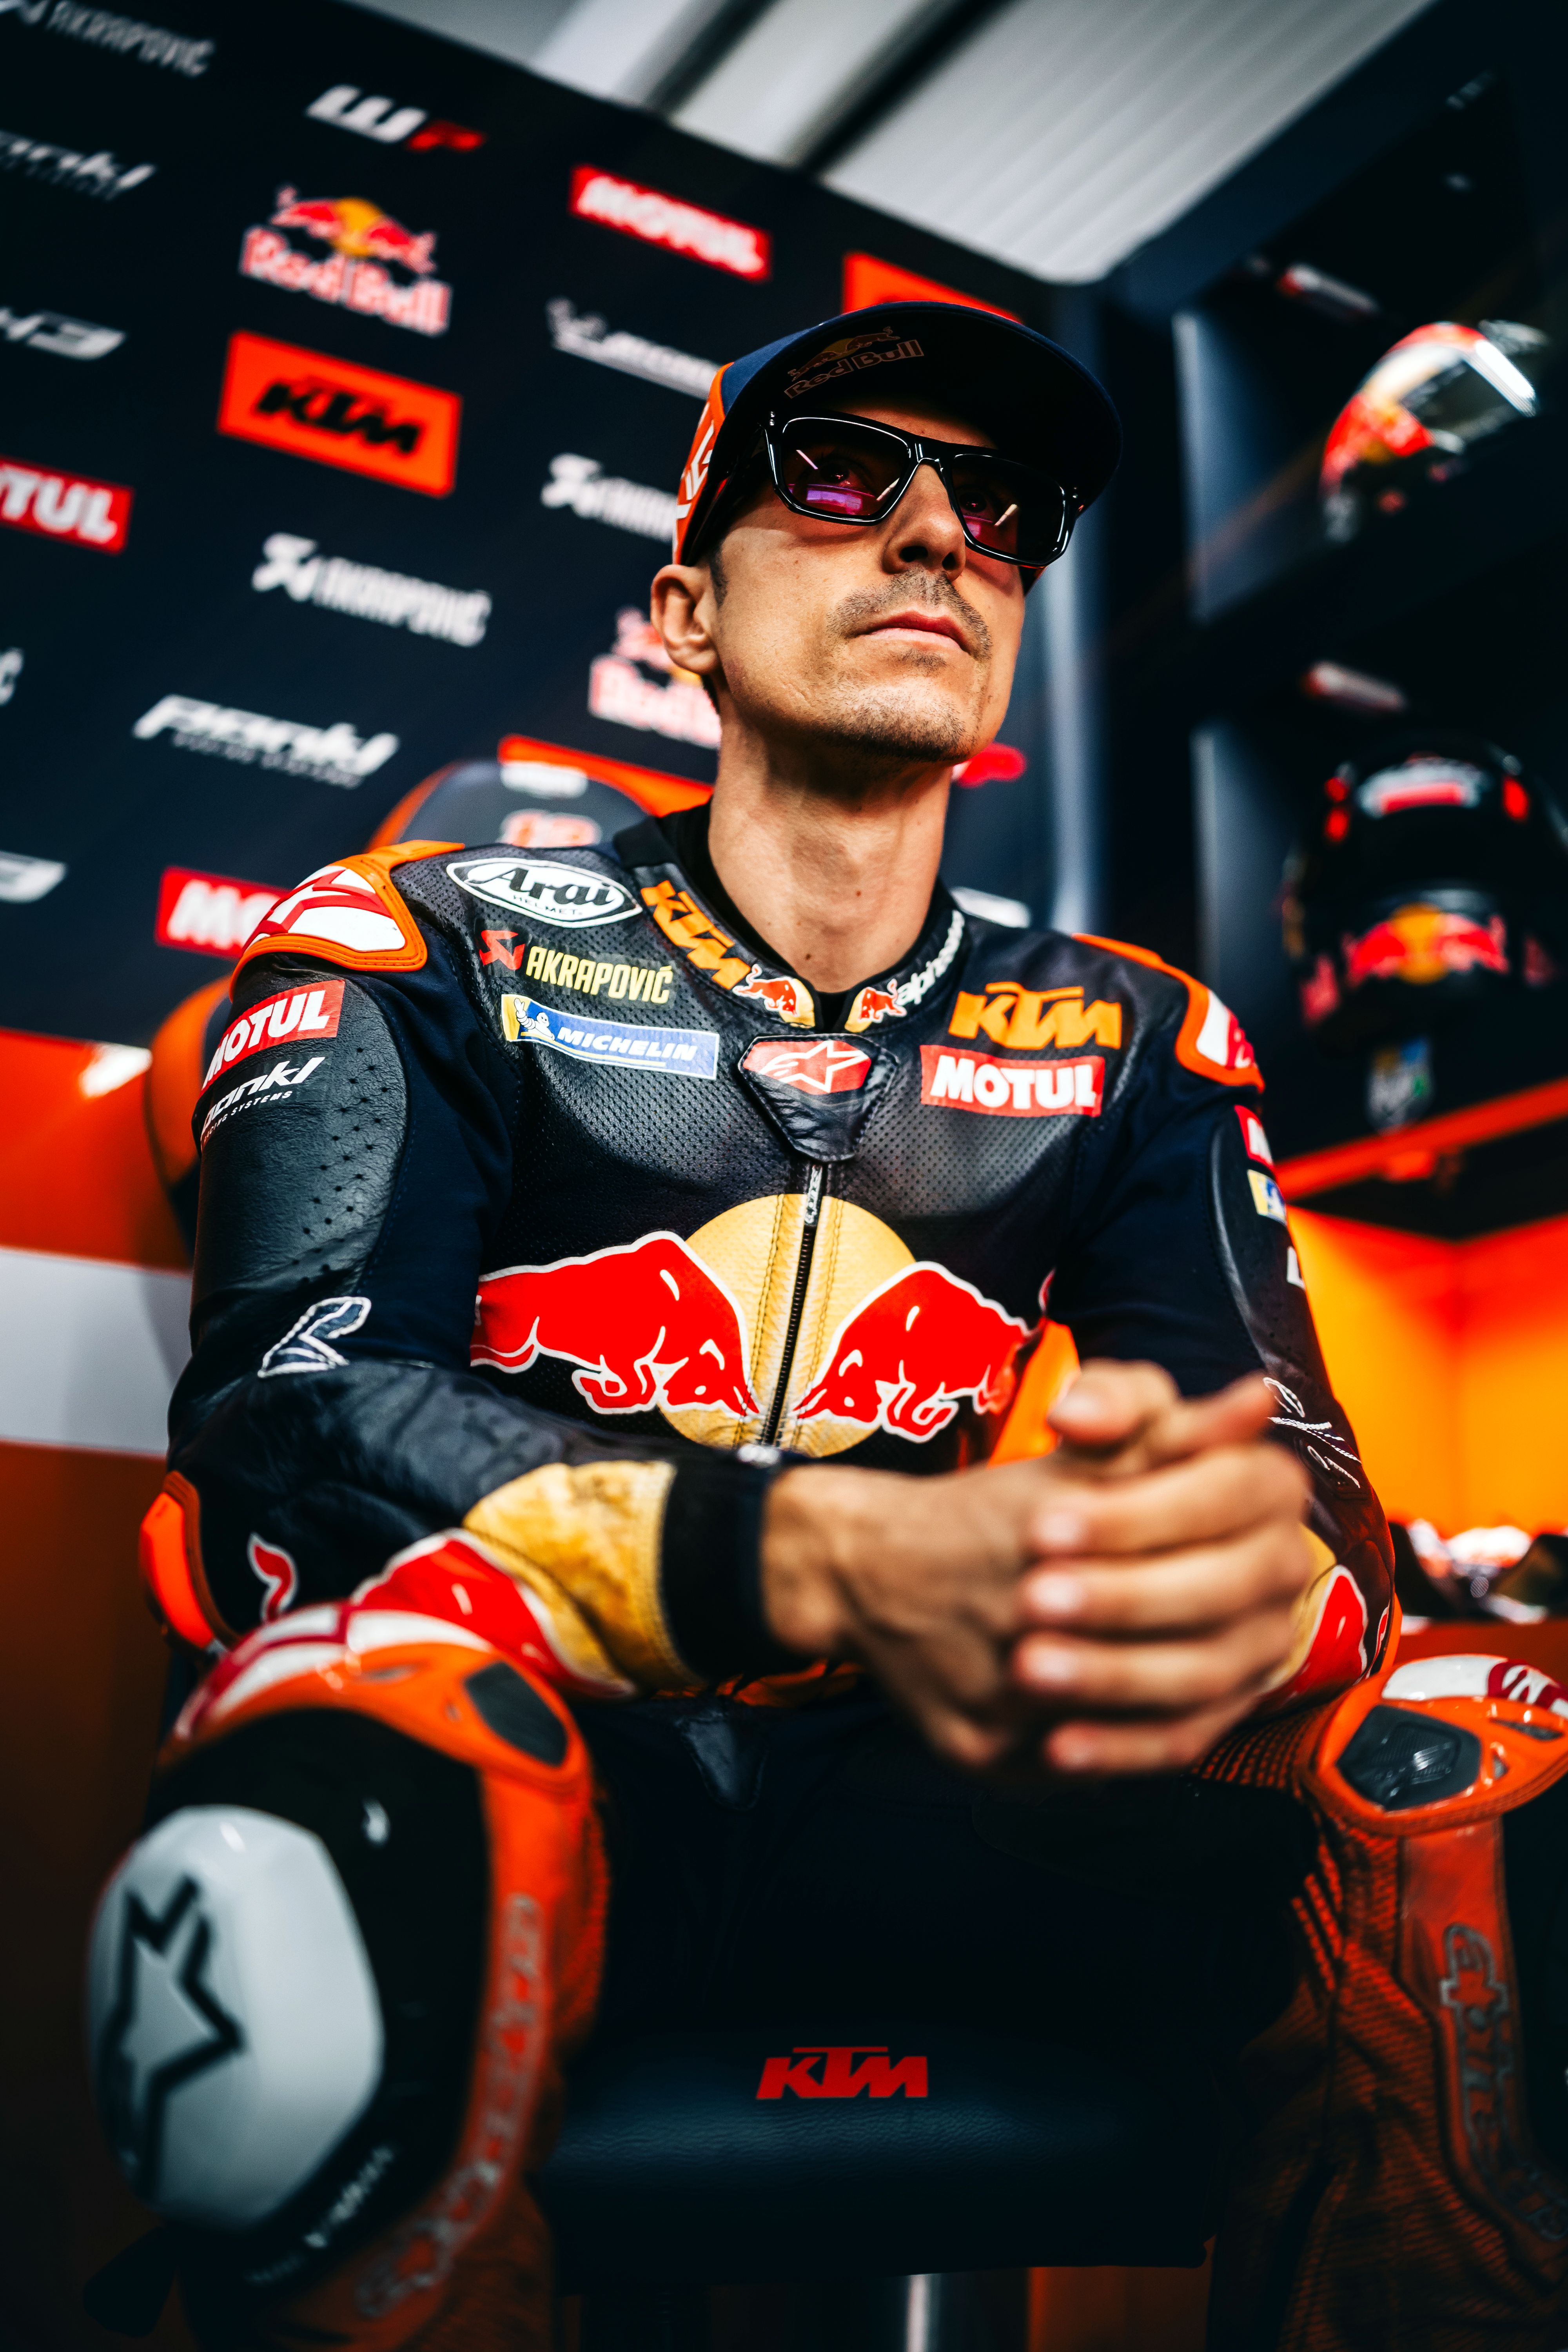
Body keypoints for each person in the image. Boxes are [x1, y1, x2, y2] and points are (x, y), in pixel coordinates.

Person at [92, 303, 1566, 2351]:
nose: (942, 534)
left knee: (1473, 1777)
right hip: (543, 1754)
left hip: (932, 1793)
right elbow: (293, 1428)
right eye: (845, 476)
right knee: (368, 1771)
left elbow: (1306, 1488)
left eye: (1005, 508)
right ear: (687, 616)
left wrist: (1219, 1574)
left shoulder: (1141, 1035)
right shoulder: (413, 937)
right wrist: (815, 1551)